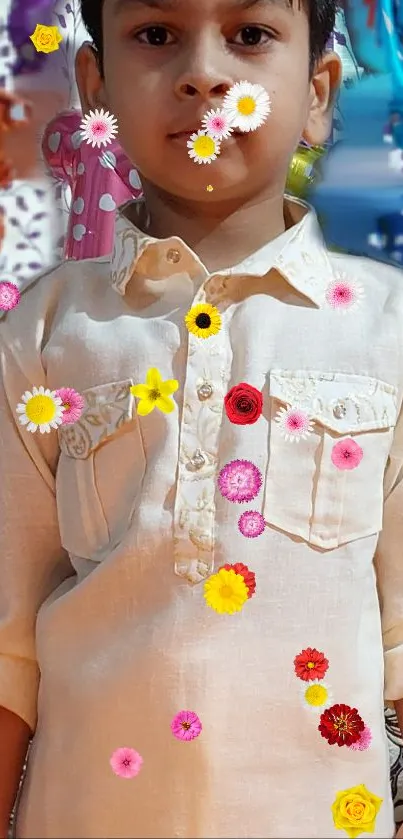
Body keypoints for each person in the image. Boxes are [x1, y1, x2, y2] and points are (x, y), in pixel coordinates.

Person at [1, 0, 403, 836]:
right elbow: (7, 653)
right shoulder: (45, 334)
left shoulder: (384, 330)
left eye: (251, 34)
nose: (203, 72)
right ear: (94, 90)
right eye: (156, 36)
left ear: (319, 92)